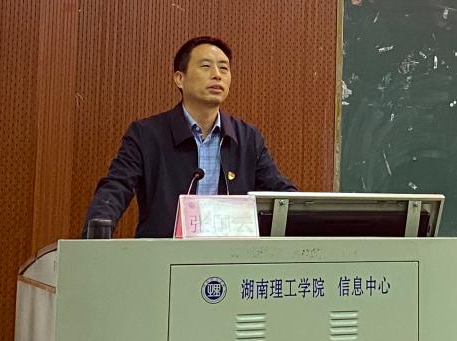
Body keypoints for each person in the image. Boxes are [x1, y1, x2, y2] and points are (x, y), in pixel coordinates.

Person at [83, 36, 298, 238]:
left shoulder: (247, 138)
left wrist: (310, 213)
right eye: (206, 66)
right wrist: (97, 229)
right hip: (165, 257)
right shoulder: (146, 134)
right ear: (180, 79)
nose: (217, 75)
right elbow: (116, 187)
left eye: (224, 68)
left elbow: (280, 192)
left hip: (230, 257)